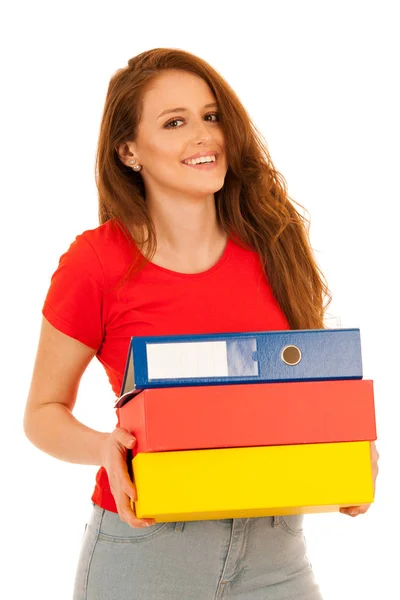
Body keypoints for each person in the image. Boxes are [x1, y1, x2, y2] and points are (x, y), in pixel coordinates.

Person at [23, 48, 379, 600]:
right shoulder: (96, 262)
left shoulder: (275, 245)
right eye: (175, 122)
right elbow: (42, 414)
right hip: (147, 554)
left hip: (276, 552)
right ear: (128, 151)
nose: (203, 135)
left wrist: (347, 448)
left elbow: (308, 385)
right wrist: (104, 448)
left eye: (211, 117)